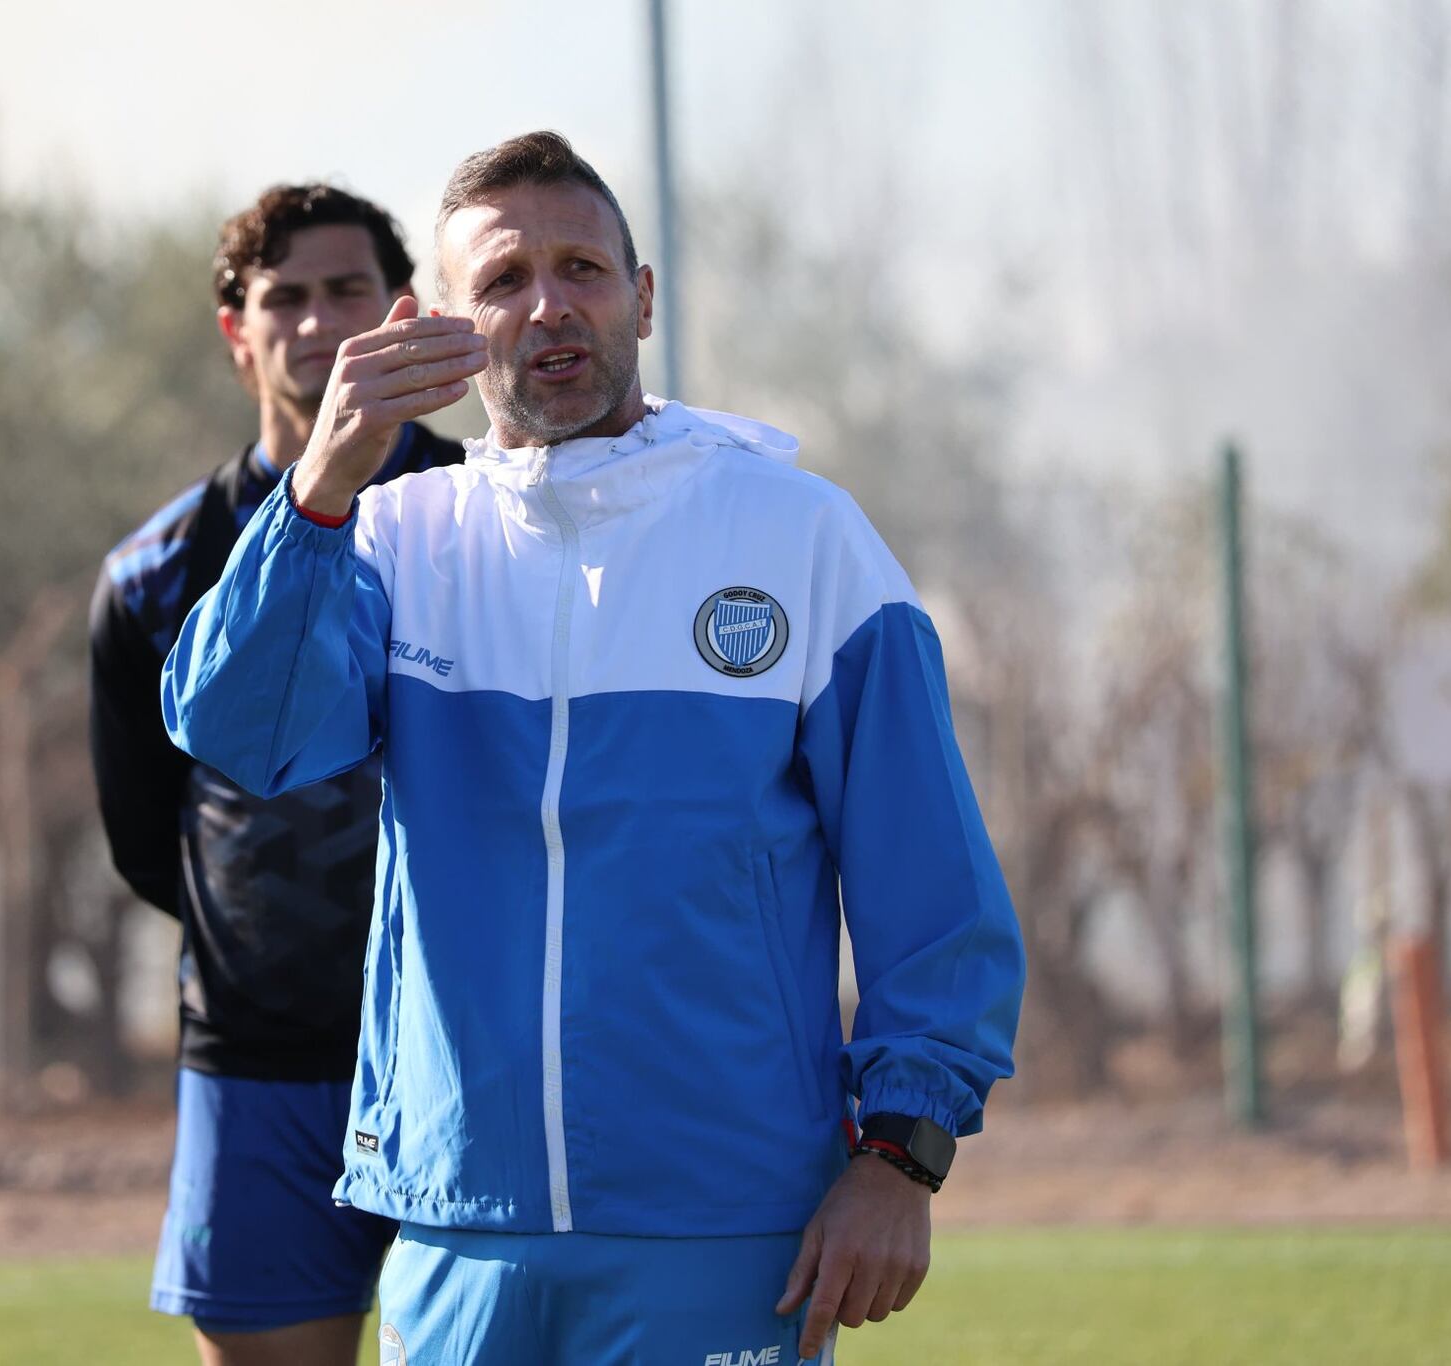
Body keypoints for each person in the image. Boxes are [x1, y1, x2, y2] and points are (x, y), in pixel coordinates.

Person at [161, 131, 1027, 1365]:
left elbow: (930, 892)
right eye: (502, 280)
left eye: (581, 268)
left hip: (725, 1228)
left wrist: (899, 1157)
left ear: (644, 297)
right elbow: (241, 731)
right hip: (458, 1227)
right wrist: (319, 483)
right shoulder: (394, 539)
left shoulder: (802, 536)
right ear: (447, 325)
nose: (548, 305)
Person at [89, 183, 464, 1366]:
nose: (315, 321)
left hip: (468, 1058)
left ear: (399, 312)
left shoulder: (491, 518)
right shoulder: (156, 569)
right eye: (283, 297)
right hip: (257, 1069)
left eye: (345, 290)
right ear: (234, 331)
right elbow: (147, 839)